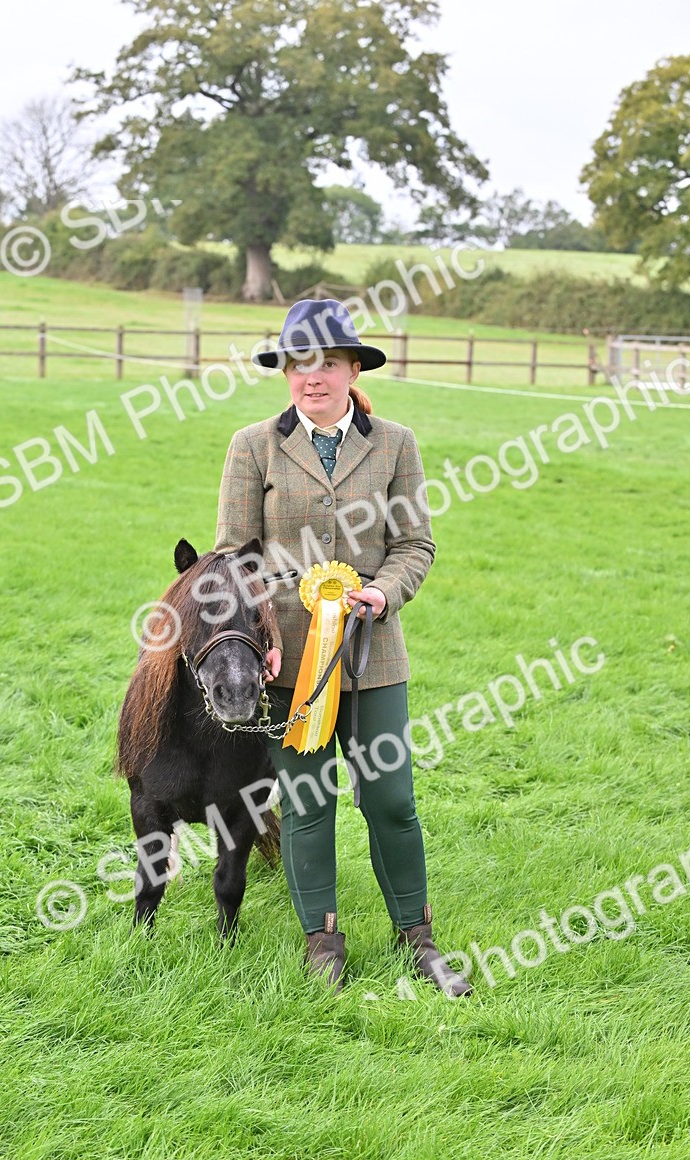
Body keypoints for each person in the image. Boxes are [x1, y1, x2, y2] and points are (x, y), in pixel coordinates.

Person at [214, 298, 471, 998]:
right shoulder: (253, 446)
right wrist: (260, 634)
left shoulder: (395, 443)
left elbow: (415, 543)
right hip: (287, 665)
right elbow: (235, 558)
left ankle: (418, 938)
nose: (312, 378)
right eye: (299, 364)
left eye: (327, 363)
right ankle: (322, 941)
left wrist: (384, 591)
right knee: (305, 803)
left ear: (353, 368)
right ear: (286, 372)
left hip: (375, 656)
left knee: (391, 800)